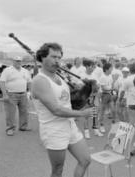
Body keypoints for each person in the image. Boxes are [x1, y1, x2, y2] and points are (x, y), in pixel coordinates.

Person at [31, 43, 96, 177]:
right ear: (42, 58)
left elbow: (71, 101)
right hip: (53, 129)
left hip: (69, 125)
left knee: (85, 160)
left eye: (59, 57)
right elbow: (56, 110)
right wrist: (82, 114)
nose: (57, 61)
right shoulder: (40, 81)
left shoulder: (59, 77)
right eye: (53, 56)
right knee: (58, 170)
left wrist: (86, 89)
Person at [0, 56, 32, 136]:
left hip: (23, 94)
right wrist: (4, 94)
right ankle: (10, 129)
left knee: (24, 111)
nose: (18, 62)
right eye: (17, 61)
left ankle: (23, 126)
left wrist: (31, 92)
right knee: (10, 113)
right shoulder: (7, 70)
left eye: (20, 61)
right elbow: (2, 82)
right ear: (13, 61)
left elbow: (29, 82)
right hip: (11, 94)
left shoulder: (25, 71)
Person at [81, 59, 103, 139]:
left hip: (95, 97)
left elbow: (98, 86)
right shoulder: (82, 75)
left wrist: (98, 93)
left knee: (95, 114)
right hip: (86, 98)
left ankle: (96, 130)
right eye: (91, 66)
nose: (93, 68)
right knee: (86, 115)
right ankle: (86, 131)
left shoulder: (94, 75)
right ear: (86, 66)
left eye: (93, 67)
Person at [98, 62, 118, 133]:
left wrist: (113, 88)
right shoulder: (102, 77)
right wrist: (112, 89)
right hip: (104, 95)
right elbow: (103, 88)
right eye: (110, 68)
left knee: (113, 111)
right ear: (106, 69)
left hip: (110, 95)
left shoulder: (110, 76)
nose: (112, 69)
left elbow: (111, 85)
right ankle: (101, 126)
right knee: (102, 112)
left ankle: (113, 126)